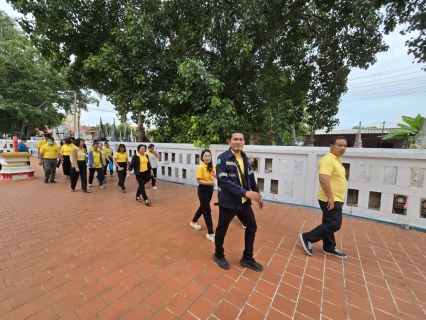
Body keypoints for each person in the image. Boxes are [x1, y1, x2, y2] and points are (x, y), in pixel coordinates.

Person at [213, 130, 264, 271]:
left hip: (243, 202)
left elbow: (251, 179)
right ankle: (218, 254)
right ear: (229, 141)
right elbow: (224, 181)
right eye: (235, 139)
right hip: (228, 202)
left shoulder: (245, 158)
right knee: (222, 229)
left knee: (252, 227)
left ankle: (247, 258)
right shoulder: (222, 158)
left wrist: (257, 195)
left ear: (244, 142)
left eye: (241, 139)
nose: (238, 142)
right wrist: (245, 192)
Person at [300, 136, 348, 259]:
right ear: (331, 146)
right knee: (334, 224)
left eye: (345, 146)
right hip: (330, 198)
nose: (343, 148)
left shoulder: (337, 160)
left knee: (328, 222)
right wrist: (331, 198)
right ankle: (308, 237)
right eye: (339, 145)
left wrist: (340, 197)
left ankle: (329, 247)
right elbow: (323, 179)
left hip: (336, 197)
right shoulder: (328, 160)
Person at [189, 150, 217, 242]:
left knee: (203, 207)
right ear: (202, 158)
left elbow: (216, 176)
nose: (207, 157)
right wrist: (210, 183)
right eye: (205, 156)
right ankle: (210, 233)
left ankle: (193, 221)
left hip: (210, 190)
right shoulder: (200, 167)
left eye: (209, 156)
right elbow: (198, 180)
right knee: (207, 210)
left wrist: (215, 175)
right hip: (203, 190)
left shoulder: (212, 166)